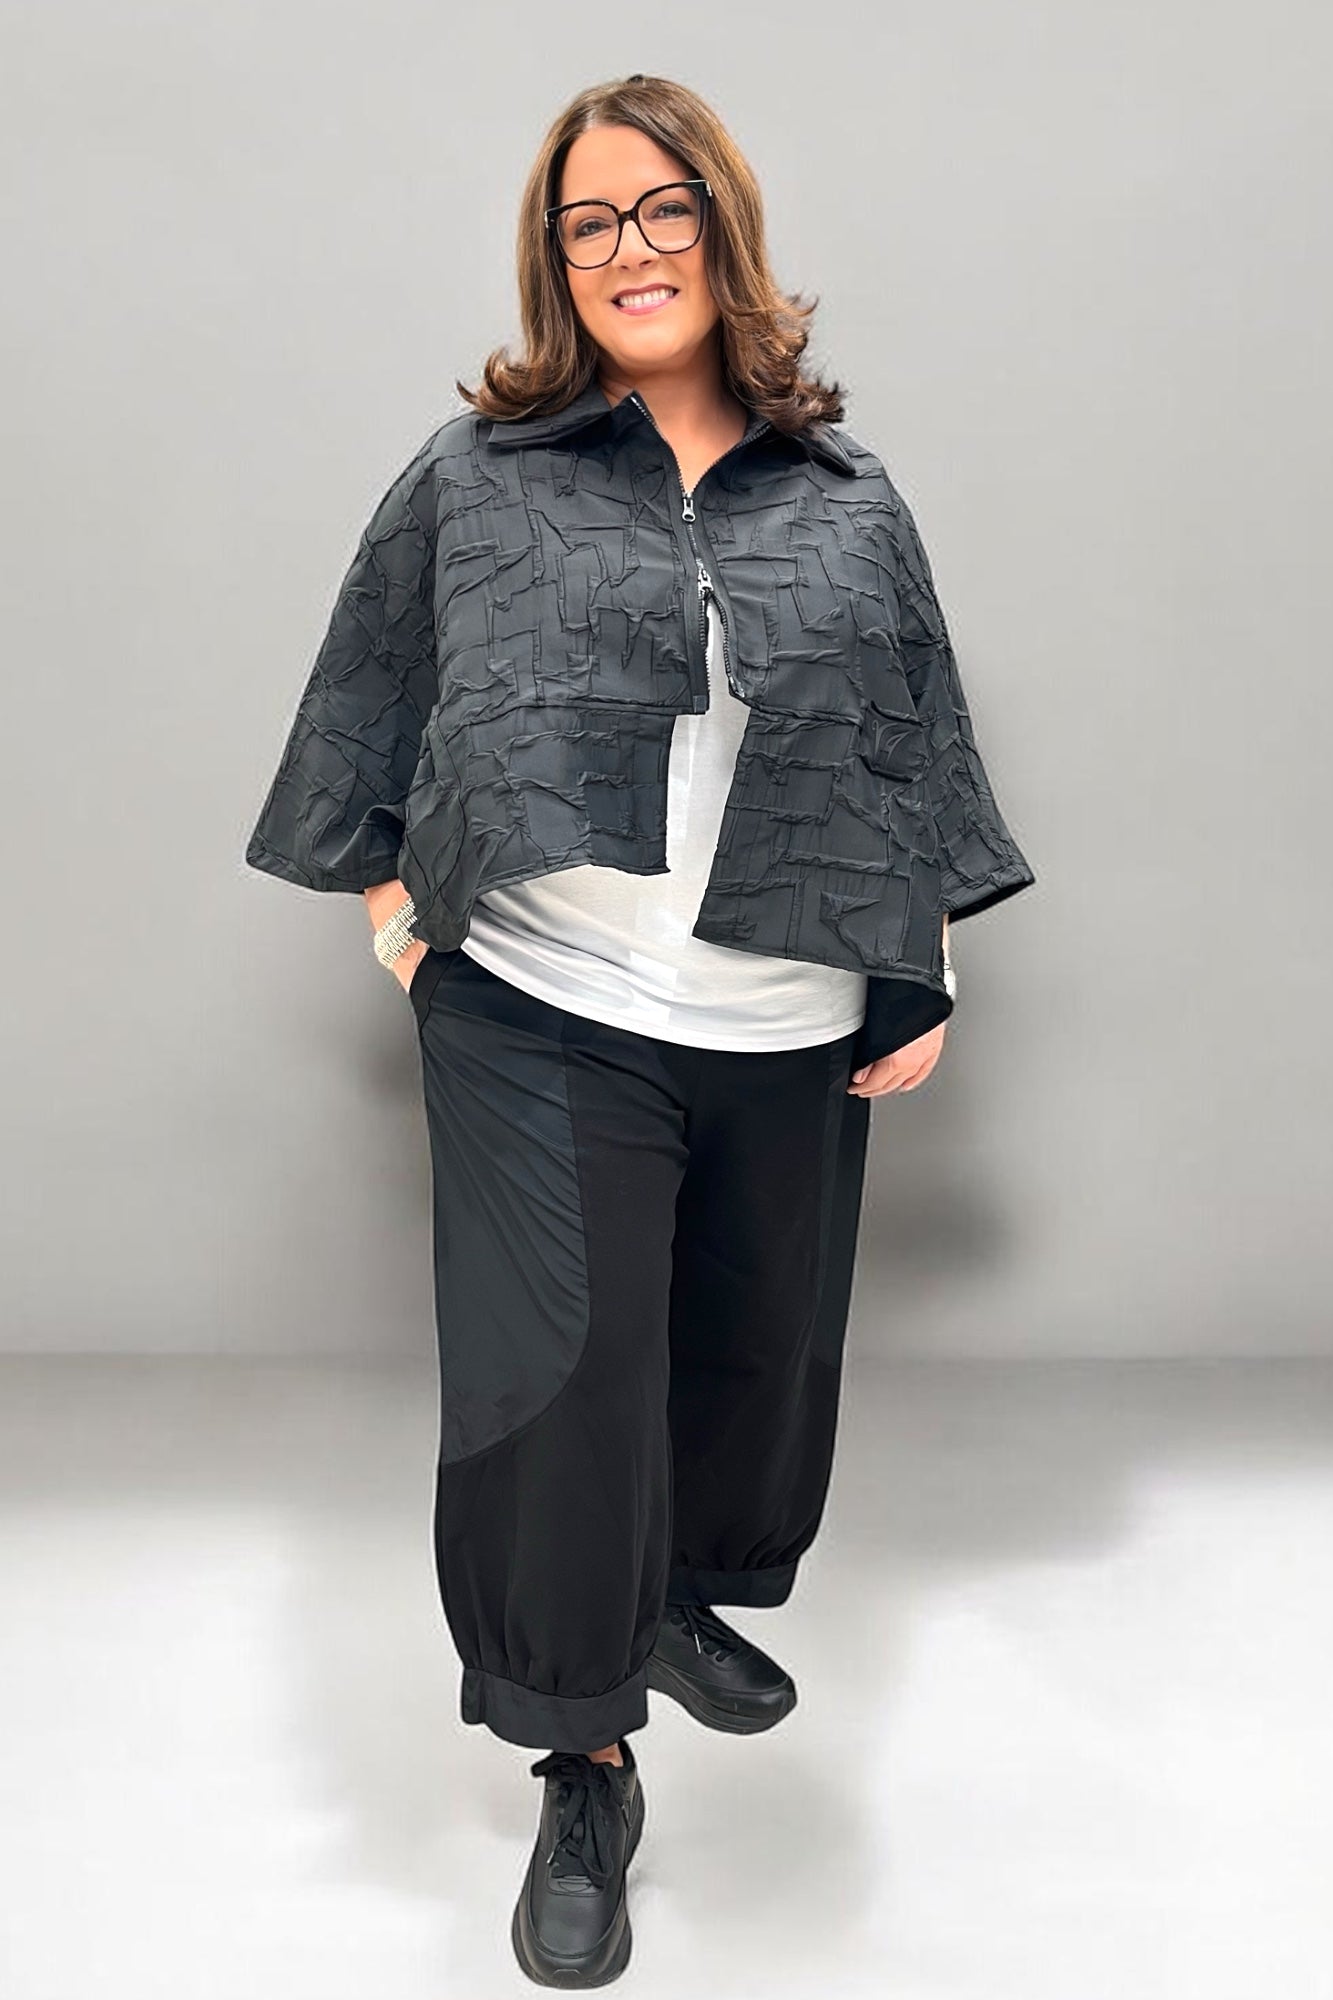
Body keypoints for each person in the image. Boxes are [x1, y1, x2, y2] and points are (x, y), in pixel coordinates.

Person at [244, 72, 1035, 1990]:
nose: (628, 250)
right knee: (568, 1388)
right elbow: (364, 695)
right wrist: (388, 911)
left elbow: (908, 738)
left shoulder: (844, 497)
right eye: (588, 222)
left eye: (662, 209)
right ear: (556, 259)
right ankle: (582, 1764)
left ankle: (674, 1592)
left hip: (786, 1012)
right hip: (542, 1005)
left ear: (722, 230)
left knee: (751, 1365)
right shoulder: (475, 477)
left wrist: (918, 956)